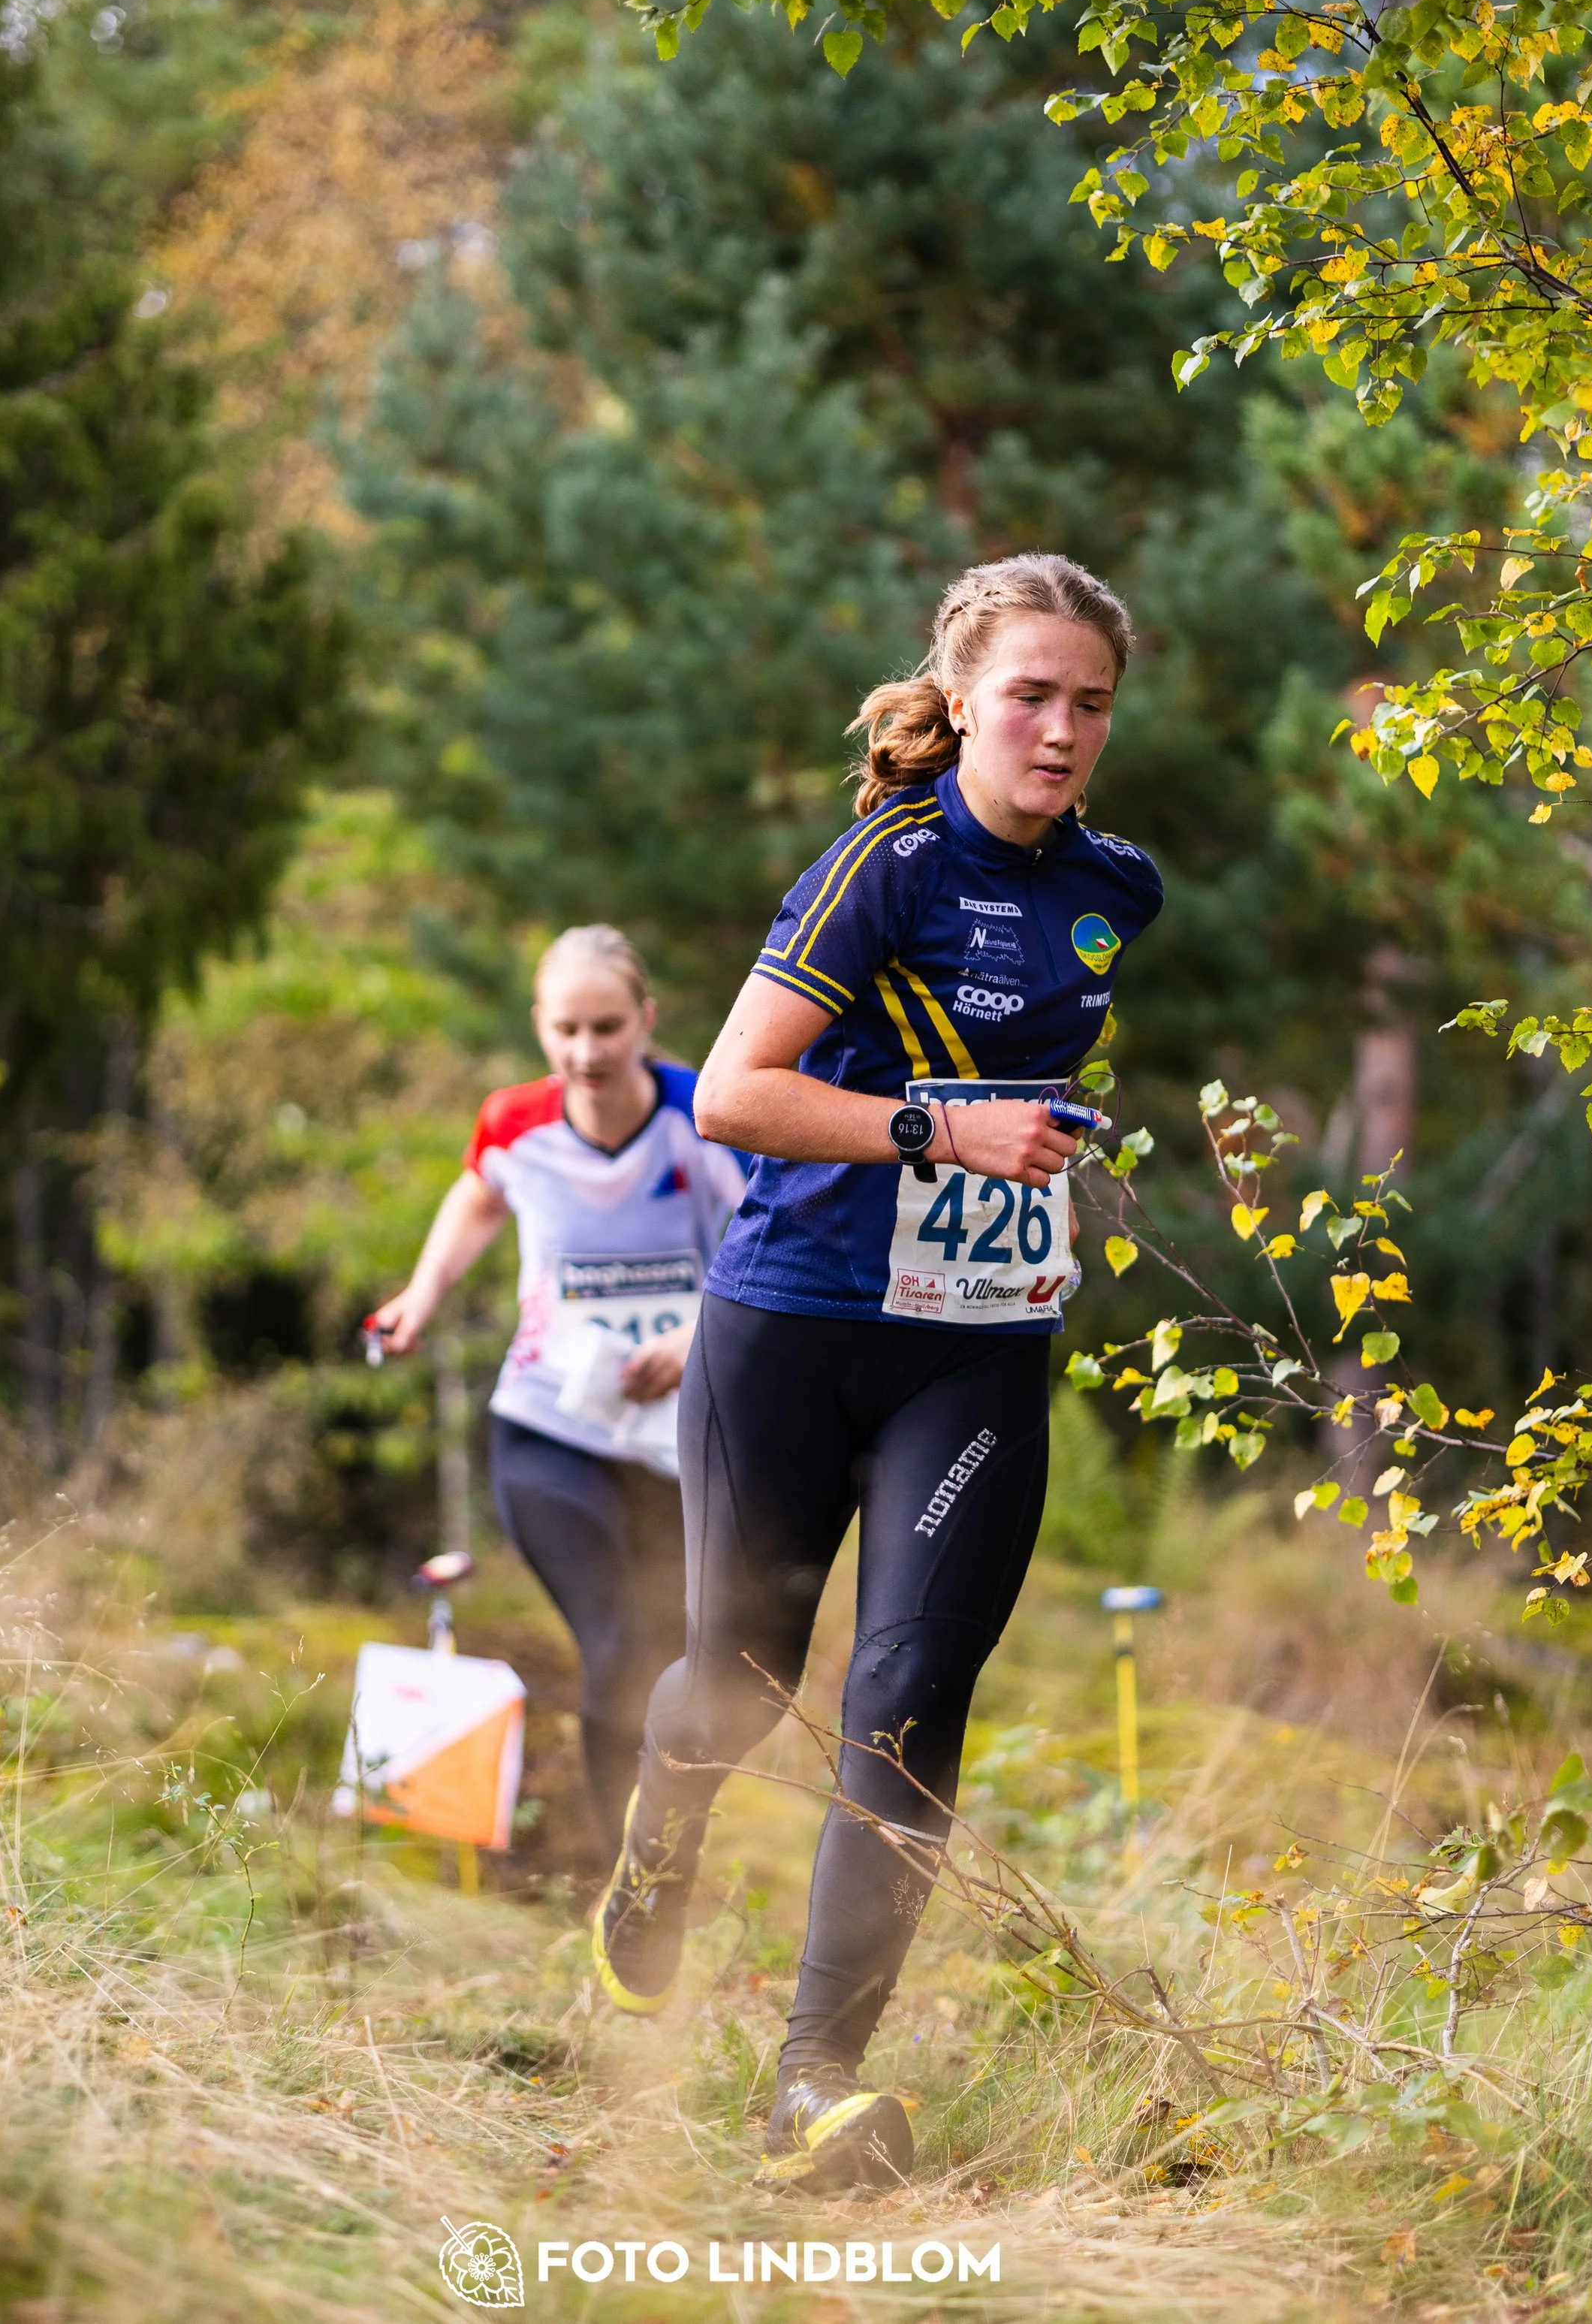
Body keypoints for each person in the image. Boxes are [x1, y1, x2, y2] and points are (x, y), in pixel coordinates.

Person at [590, 553, 1164, 2190]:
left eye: (1090, 703)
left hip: (973, 1352)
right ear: (965, 697)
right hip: (792, 1324)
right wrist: (945, 1123)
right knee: (739, 1683)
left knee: (905, 1704)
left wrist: (1039, 1147)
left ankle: (810, 2084)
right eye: (1032, 695)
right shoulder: (882, 870)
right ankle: (651, 1854)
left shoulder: (1115, 889)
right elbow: (735, 1095)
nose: (1060, 730)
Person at [368, 925, 748, 1863]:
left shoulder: (704, 1112)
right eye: (567, 1029)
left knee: (678, 1653)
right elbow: (479, 1193)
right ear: (541, 1027)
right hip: (549, 1425)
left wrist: (693, 1333)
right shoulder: (514, 1122)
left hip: (674, 1437)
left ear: (646, 1021)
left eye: (608, 1027)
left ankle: (675, 1844)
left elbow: (767, 1240)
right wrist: (422, 1295)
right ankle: (632, 1867)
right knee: (615, 1640)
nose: (587, 1052)